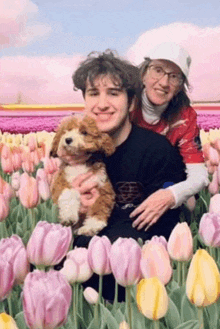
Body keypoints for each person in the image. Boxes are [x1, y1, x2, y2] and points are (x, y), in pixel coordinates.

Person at [68, 50, 186, 301]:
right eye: (93, 93)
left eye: (113, 93)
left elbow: (157, 234)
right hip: (84, 288)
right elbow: (71, 228)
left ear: (131, 102)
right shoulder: (78, 154)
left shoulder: (158, 152)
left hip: (136, 289)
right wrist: (78, 213)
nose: (101, 104)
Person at [130, 42, 209, 229]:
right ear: (143, 74)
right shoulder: (126, 103)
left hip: (163, 180)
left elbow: (200, 176)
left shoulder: (184, 117)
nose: (164, 83)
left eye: (174, 77)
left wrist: (171, 195)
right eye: (157, 70)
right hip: (124, 177)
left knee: (188, 202)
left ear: (180, 86)